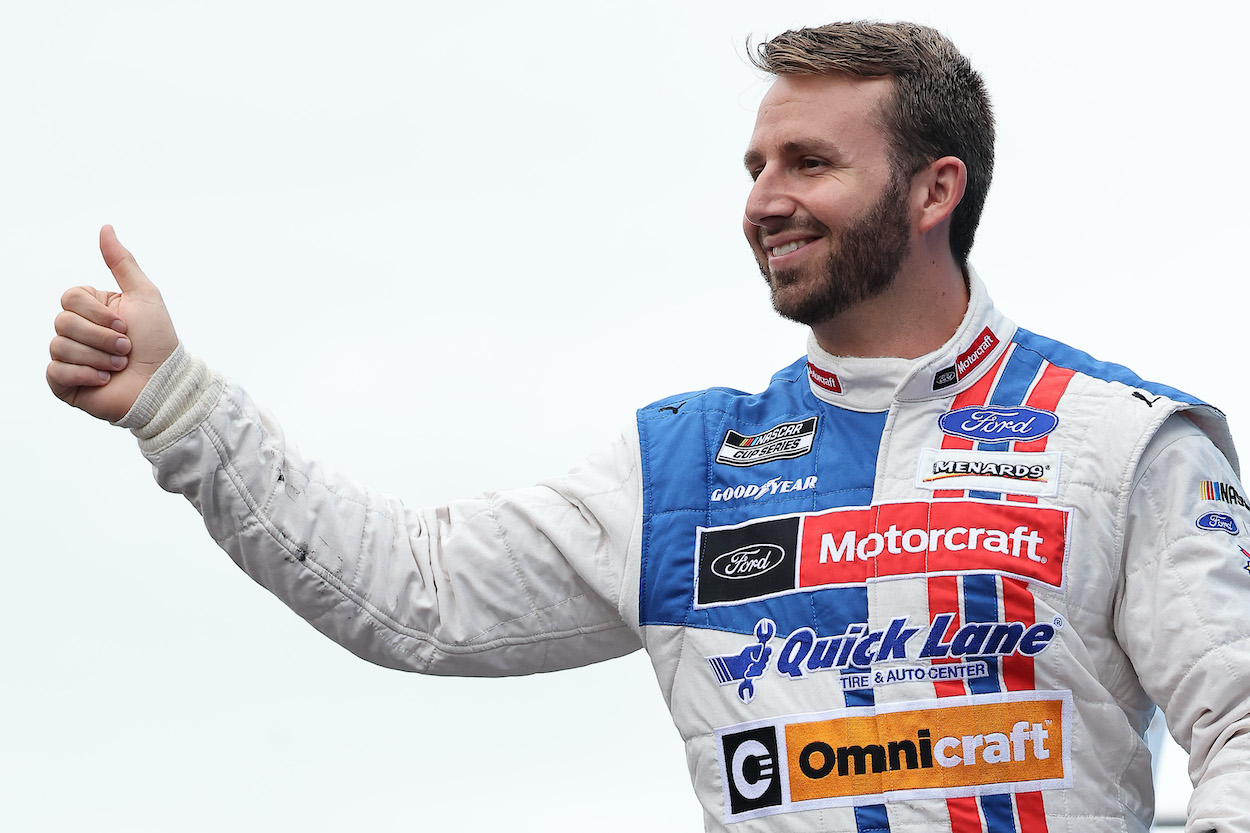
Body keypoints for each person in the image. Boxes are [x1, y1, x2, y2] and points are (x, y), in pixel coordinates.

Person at [46, 20, 1250, 833]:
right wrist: (179, 405)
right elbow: (410, 593)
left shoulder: (1120, 440)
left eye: (808, 162)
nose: (763, 200)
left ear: (934, 189)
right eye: (753, 163)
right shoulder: (683, 464)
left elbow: (1237, 723)